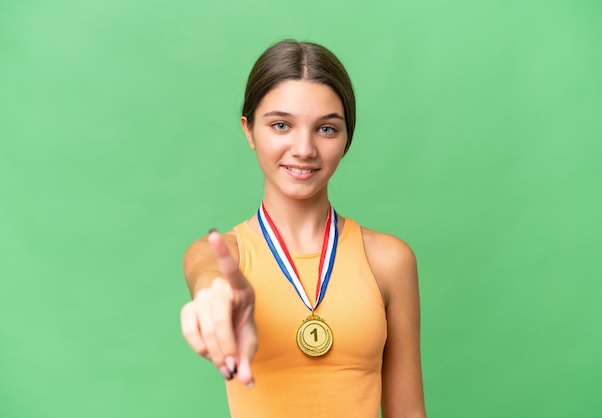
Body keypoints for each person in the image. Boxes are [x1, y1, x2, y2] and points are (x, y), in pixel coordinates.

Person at [180, 39, 426, 418]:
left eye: (326, 129)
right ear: (248, 130)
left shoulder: (389, 260)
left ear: (346, 139)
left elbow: (407, 412)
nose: (304, 148)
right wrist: (216, 296)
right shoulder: (222, 254)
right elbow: (208, 275)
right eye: (281, 125)